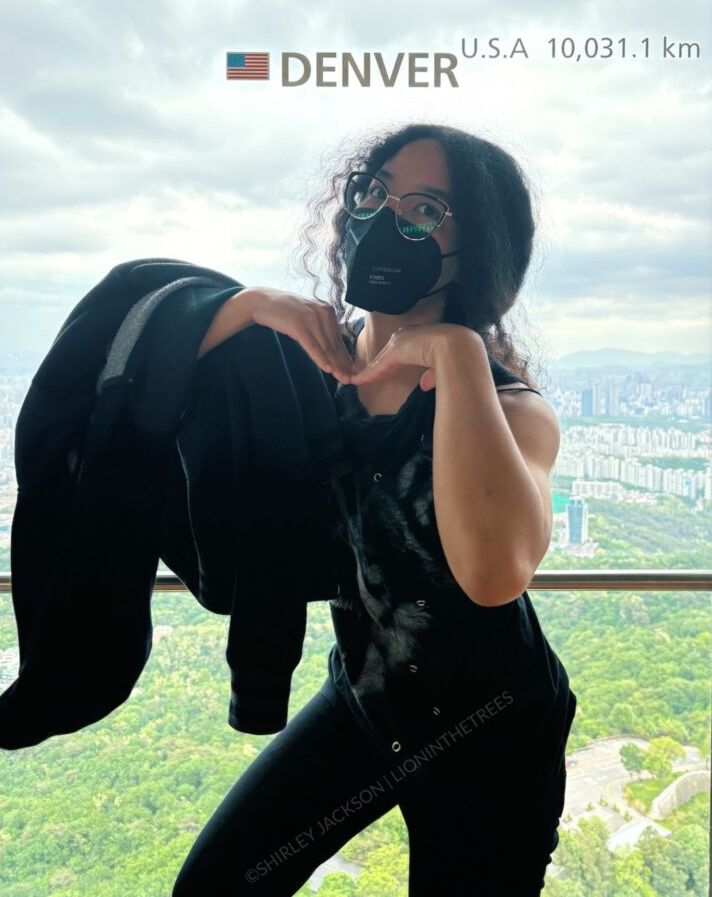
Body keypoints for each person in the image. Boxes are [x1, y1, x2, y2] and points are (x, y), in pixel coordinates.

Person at [173, 123, 577, 896]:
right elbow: (144, 368)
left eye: (425, 209)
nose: (383, 220)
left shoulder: (509, 408)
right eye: (373, 194)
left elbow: (494, 575)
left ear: (478, 245)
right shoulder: (313, 364)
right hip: (363, 699)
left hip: (492, 731)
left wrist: (456, 354)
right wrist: (252, 306)